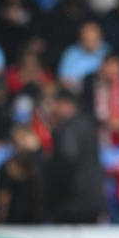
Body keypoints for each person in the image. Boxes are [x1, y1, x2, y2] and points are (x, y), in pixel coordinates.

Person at [46, 89, 105, 224]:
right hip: (93, 198)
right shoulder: (89, 125)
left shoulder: (67, 128)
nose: (54, 110)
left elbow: (67, 158)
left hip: (71, 200)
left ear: (66, 105)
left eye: (56, 104)